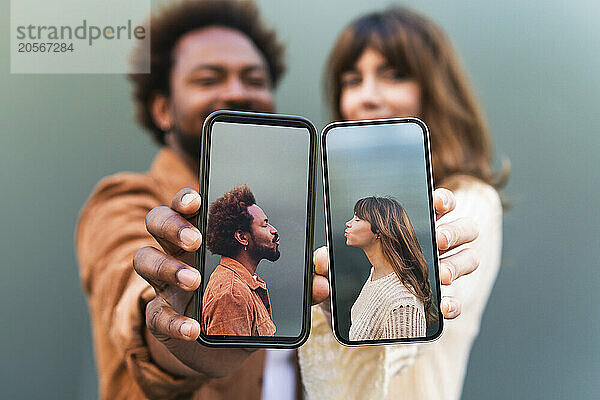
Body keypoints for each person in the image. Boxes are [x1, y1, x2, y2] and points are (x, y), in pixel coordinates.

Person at [76, 1, 480, 399]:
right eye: (208, 79)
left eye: (253, 79)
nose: (236, 91)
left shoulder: (289, 212)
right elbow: (132, 296)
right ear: (163, 109)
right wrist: (179, 331)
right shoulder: (123, 199)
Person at [298, 7, 509, 400]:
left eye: (394, 75)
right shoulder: (344, 214)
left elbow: (408, 335)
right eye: (352, 81)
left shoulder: (470, 202)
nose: (368, 97)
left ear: (433, 88)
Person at [345, 196, 432, 341]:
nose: (348, 224)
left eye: (357, 219)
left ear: (379, 230)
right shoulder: (375, 274)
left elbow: (405, 362)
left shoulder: (403, 304)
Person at [202, 185, 280, 336]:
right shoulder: (232, 294)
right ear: (242, 237)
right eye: (265, 225)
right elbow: (229, 357)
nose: (273, 230)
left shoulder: (242, 285)